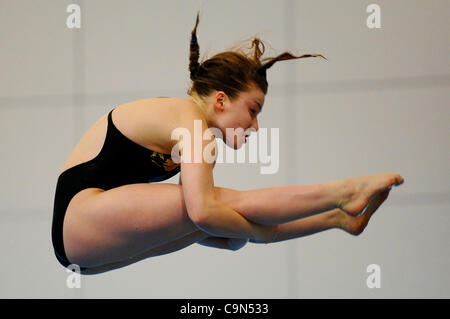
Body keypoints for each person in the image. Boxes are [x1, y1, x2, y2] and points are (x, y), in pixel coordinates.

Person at [51, 13, 404, 275]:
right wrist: (248, 233)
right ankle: (345, 191)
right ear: (221, 100)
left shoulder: (199, 140)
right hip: (79, 217)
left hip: (86, 252)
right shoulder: (188, 118)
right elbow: (204, 211)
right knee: (223, 208)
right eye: (252, 110)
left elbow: (201, 221)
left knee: (228, 220)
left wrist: (235, 232)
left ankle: (336, 217)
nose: (255, 125)